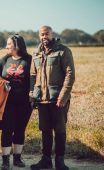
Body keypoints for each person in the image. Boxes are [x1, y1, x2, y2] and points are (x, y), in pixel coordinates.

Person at [30, 26, 75, 170]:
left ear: (52, 34)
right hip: (42, 100)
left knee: (60, 130)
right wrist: (32, 94)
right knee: (45, 130)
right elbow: (32, 76)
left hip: (58, 100)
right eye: (42, 35)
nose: (44, 37)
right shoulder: (36, 53)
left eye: (47, 34)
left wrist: (63, 96)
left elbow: (70, 75)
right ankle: (46, 160)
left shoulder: (63, 51)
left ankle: (60, 161)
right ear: (39, 36)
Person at [0, 34, 32, 170]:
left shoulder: (29, 60)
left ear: (16, 45)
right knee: (7, 130)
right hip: (6, 103)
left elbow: (36, 79)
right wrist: (3, 82)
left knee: (20, 130)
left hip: (25, 103)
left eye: (8, 44)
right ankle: (5, 161)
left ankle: (17, 158)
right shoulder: (4, 60)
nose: (6, 46)